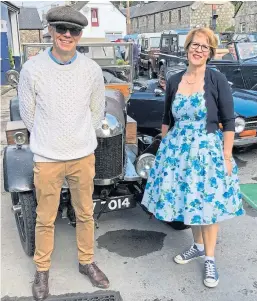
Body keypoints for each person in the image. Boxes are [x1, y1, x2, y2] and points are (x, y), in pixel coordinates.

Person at [18, 6, 110, 301]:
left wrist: (78, 137)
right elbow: (28, 114)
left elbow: (97, 111)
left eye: (74, 31)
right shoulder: (32, 69)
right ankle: (42, 270)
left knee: (85, 213)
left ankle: (87, 262)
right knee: (45, 217)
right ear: (51, 31)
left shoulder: (91, 70)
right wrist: (50, 138)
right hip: (47, 158)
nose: (67, 35)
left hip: (82, 155)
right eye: (61, 29)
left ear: (80, 35)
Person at [141, 28, 244, 288]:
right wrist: (162, 150)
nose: (199, 50)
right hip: (177, 151)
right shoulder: (175, 80)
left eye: (205, 47)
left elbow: (228, 120)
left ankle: (210, 259)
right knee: (190, 203)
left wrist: (227, 155)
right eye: (195, 45)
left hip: (207, 150)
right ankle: (197, 246)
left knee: (207, 207)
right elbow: (167, 117)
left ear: (210, 53)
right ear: (187, 48)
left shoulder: (216, 79)